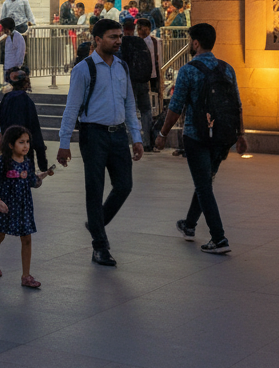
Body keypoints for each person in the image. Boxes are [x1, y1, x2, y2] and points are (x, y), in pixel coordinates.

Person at [56, 19, 143, 267]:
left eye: (119, 37)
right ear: (97, 39)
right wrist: (64, 143)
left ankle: (97, 222)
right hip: (93, 134)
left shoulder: (122, 67)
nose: (118, 41)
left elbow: (129, 104)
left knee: (124, 185)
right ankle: (100, 246)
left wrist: (136, 137)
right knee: (94, 190)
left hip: (118, 135)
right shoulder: (84, 69)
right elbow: (72, 108)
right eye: (112, 37)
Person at [154, 22, 247, 254]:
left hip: (197, 136)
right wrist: (241, 134)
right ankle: (189, 225)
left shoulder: (188, 70)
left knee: (204, 186)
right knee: (204, 181)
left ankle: (219, 238)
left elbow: (175, 107)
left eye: (189, 40)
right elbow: (237, 104)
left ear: (195, 43)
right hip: (222, 137)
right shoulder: (227, 69)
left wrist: (163, 134)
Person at [0, 125, 52, 286]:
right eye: (21, 142)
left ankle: (26, 276)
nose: (26, 145)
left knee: (26, 239)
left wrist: (42, 176)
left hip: (24, 206)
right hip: (6, 206)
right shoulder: (1, 162)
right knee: (0, 235)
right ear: (11, 144)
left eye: (27, 142)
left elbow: (32, 182)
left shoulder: (27, 162)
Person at [0, 69, 49, 173]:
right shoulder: (26, 102)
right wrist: (42, 163)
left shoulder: (6, 99)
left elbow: (0, 121)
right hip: (24, 153)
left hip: (9, 150)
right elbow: (35, 131)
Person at [119, 18, 153, 147]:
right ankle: (147, 141)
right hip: (142, 81)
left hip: (129, 82)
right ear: (133, 29)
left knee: (129, 110)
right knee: (146, 110)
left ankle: (130, 139)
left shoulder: (122, 43)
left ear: (124, 29)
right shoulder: (140, 42)